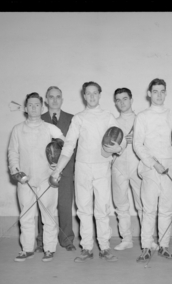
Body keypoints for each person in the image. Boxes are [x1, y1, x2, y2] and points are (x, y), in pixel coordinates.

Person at [51, 81, 126, 263]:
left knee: (102, 209)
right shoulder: (78, 118)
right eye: (88, 93)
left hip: (102, 167)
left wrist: (117, 149)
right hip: (82, 168)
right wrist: (58, 170)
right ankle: (86, 248)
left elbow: (121, 142)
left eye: (95, 93)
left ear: (99, 95)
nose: (92, 97)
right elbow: (69, 145)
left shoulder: (108, 117)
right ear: (84, 96)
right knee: (83, 210)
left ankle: (105, 247)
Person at [133, 78, 172, 262]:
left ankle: (164, 246)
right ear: (149, 93)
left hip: (169, 165)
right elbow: (137, 145)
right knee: (149, 209)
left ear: (166, 93)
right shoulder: (142, 116)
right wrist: (153, 163)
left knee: (167, 208)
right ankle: (146, 247)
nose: (159, 95)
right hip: (151, 167)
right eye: (155, 91)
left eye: (162, 91)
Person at [8, 92, 65, 262]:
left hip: (46, 179)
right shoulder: (17, 129)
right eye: (30, 105)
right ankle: (27, 249)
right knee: (26, 216)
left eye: (37, 105)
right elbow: (12, 152)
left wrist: (58, 165)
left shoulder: (49, 127)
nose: (34, 108)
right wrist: (15, 170)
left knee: (48, 215)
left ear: (42, 107)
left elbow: (66, 145)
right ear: (25, 108)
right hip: (25, 179)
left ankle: (49, 248)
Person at [111, 88, 159, 251]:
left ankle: (149, 239)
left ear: (131, 100)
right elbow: (107, 146)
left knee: (143, 205)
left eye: (125, 99)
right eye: (118, 100)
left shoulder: (141, 119)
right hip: (118, 167)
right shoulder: (113, 122)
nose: (122, 103)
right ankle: (126, 239)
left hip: (138, 166)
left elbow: (150, 143)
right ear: (115, 103)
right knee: (121, 205)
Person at [35, 86, 76, 253]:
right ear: (46, 100)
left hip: (66, 171)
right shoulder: (38, 118)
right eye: (51, 97)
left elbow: (75, 146)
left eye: (58, 97)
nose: (54, 100)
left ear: (62, 99)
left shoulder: (72, 119)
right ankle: (42, 241)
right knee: (44, 207)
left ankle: (67, 240)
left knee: (65, 207)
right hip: (44, 172)